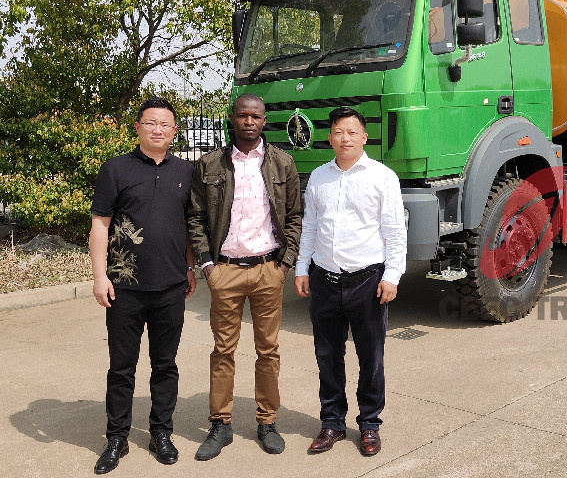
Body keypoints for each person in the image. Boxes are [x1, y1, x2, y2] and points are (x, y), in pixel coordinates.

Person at [188, 93, 302, 460]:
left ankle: (267, 422)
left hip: (269, 269)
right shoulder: (210, 164)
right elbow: (195, 217)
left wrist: (285, 264)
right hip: (226, 271)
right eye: (242, 115)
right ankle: (220, 424)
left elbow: (296, 216)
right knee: (223, 350)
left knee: (268, 350)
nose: (249, 121)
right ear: (233, 119)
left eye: (255, 116)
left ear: (264, 120)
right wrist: (207, 265)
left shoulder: (282, 162)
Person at [89, 97, 196, 474]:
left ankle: (160, 432)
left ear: (174, 131)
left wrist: (188, 268)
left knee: (164, 364)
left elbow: (187, 226)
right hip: (125, 288)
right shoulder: (116, 169)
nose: (157, 129)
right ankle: (116, 437)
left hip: (170, 287)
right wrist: (100, 276)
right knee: (122, 367)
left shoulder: (186, 170)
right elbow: (100, 225)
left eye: (165, 124)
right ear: (137, 127)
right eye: (150, 123)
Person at [295, 106, 406, 456]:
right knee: (327, 356)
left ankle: (370, 425)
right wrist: (302, 268)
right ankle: (332, 423)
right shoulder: (318, 177)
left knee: (370, 356)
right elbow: (310, 226)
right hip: (324, 280)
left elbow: (393, 230)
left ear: (364, 137)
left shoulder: (382, 177)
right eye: (338, 132)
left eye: (352, 132)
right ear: (329, 137)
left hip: (367, 281)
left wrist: (392, 275)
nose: (345, 138)